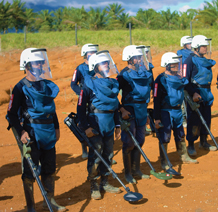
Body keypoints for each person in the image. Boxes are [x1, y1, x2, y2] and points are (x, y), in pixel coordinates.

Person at [7, 48, 66, 211]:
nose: (40, 65)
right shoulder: (20, 88)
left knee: (49, 169)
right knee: (29, 173)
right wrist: (21, 132)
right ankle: (31, 207)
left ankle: (50, 201)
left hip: (48, 132)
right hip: (31, 133)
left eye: (41, 62)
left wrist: (56, 127)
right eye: (36, 62)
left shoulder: (46, 85)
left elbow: (51, 109)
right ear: (26, 65)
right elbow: (11, 114)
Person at [76, 51, 121, 200]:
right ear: (95, 67)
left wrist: (118, 125)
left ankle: (105, 182)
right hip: (95, 122)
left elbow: (114, 105)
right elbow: (81, 108)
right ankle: (94, 185)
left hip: (109, 122)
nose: (107, 66)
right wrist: (86, 127)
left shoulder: (112, 84)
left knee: (108, 154)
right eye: (103, 64)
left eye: (107, 63)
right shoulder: (88, 84)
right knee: (96, 155)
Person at [154, 52, 198, 168]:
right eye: (174, 64)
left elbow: (186, 88)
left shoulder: (180, 79)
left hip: (178, 111)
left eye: (177, 64)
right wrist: (157, 118)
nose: (177, 66)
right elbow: (156, 99)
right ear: (167, 65)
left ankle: (184, 156)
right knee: (165, 136)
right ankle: (164, 162)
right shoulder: (161, 79)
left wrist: (194, 93)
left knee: (180, 134)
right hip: (166, 112)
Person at [117, 45, 152, 184]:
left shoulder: (144, 73)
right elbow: (113, 95)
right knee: (128, 142)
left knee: (140, 140)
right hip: (129, 110)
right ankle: (127, 173)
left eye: (140, 57)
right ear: (129, 59)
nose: (140, 60)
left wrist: (146, 112)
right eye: (136, 58)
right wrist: (122, 110)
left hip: (142, 109)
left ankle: (136, 169)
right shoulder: (123, 75)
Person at [184, 35, 217, 156]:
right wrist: (193, 93)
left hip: (206, 93)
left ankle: (204, 141)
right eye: (203, 46)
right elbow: (184, 80)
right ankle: (191, 145)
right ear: (196, 47)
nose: (205, 48)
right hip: (195, 93)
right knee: (193, 121)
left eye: (206, 46)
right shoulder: (189, 60)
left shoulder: (206, 60)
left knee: (206, 119)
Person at [71, 43, 99, 159]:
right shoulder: (80, 68)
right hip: (84, 99)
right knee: (83, 123)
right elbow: (73, 84)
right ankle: (84, 147)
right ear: (85, 55)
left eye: (94, 53)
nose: (93, 55)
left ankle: (99, 151)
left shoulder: (97, 67)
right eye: (90, 53)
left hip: (96, 99)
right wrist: (82, 93)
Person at [177, 36, 193, 128]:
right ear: (184, 45)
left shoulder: (194, 53)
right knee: (182, 100)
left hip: (191, 79)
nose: (191, 45)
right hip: (183, 79)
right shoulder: (180, 53)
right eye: (189, 43)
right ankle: (183, 119)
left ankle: (190, 117)